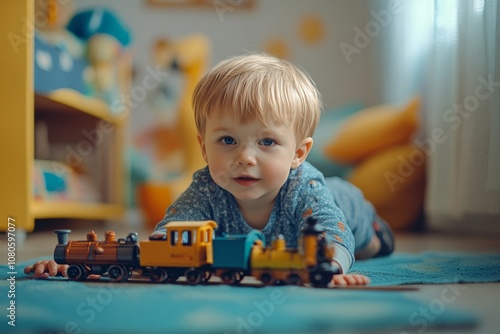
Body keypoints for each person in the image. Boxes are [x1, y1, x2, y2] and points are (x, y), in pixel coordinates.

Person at [25, 54, 394, 285]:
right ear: (203, 147)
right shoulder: (206, 187)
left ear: (298, 152)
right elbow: (168, 238)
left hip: (349, 206)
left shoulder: (305, 186)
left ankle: (378, 233)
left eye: (266, 142)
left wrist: (330, 266)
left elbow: (331, 230)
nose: (245, 157)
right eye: (228, 141)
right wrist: (86, 268)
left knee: (369, 244)